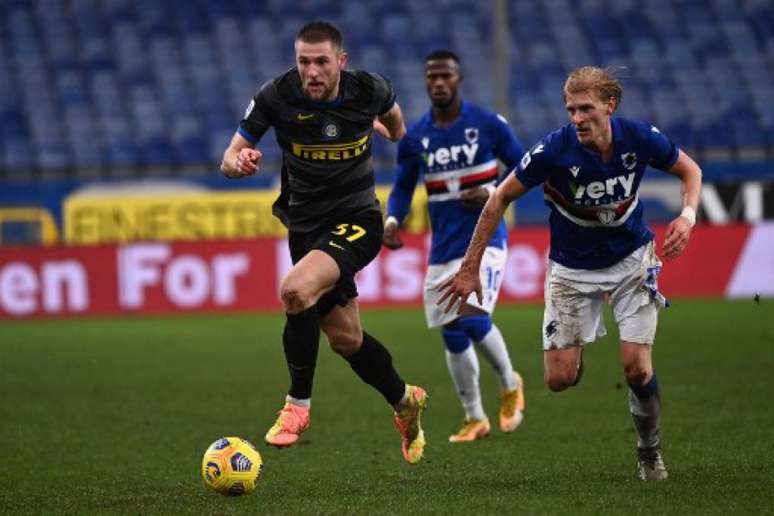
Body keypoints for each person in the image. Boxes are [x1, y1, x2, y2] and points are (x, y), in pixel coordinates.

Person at [439, 66, 702, 479]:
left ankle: (649, 450)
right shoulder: (553, 151)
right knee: (559, 380)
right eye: (570, 110)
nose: (576, 118)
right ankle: (576, 350)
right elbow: (498, 199)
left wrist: (687, 216)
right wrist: (470, 267)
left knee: (637, 367)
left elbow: (690, 171)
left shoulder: (639, 138)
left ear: (609, 106)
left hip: (632, 259)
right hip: (571, 270)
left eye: (585, 108)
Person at [220, 21, 428, 465]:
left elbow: (395, 123)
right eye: (303, 62)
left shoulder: (370, 89)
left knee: (295, 291)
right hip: (305, 228)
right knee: (346, 339)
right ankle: (405, 400)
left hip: (358, 220)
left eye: (321, 62)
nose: (311, 71)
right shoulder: (277, 96)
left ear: (341, 62)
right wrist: (240, 163)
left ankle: (298, 406)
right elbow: (228, 156)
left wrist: (393, 134)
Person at [383, 50, 526, 443]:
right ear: (426, 82)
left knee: (473, 317)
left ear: (458, 79)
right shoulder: (415, 138)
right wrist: (393, 221)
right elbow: (402, 186)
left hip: (486, 241)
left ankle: (509, 382)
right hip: (443, 248)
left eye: (445, 76)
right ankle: (474, 417)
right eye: (432, 77)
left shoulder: (487, 125)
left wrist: (493, 191)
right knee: (451, 330)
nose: (439, 83)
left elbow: (527, 167)